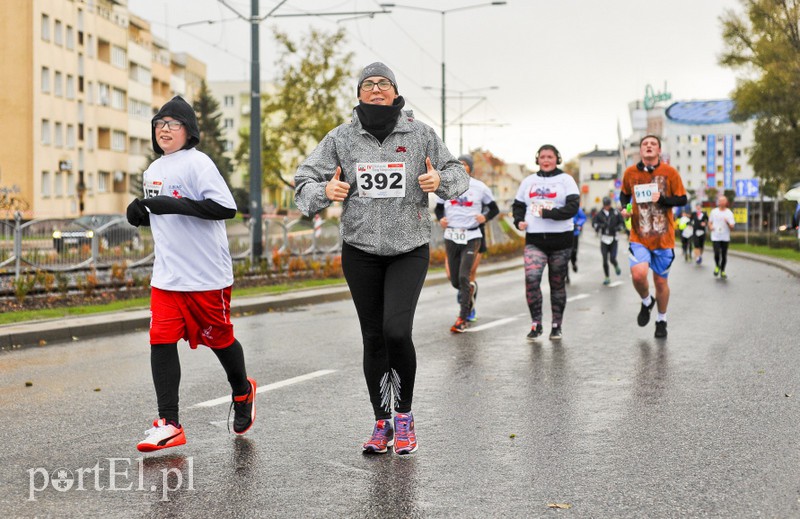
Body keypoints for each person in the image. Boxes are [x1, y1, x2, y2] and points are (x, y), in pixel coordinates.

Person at [294, 62, 469, 455]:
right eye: (368, 84)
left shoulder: (420, 133)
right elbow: (302, 183)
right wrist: (327, 189)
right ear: (358, 94)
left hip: (409, 249)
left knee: (395, 331)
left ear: (394, 91)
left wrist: (440, 181)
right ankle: (381, 422)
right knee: (372, 338)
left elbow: (459, 175)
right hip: (361, 252)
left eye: (383, 83)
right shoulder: (340, 138)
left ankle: (404, 416)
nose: (376, 89)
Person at [126, 96, 256, 452]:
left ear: (188, 131)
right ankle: (169, 423)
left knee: (220, 339)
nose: (164, 129)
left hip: (206, 276)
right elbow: (156, 212)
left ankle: (242, 391)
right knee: (160, 340)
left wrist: (167, 204)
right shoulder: (152, 172)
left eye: (173, 123)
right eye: (159, 123)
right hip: (167, 277)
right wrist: (138, 212)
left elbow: (225, 208)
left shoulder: (199, 163)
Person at [620, 135, 687, 339]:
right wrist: (626, 209)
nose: (649, 146)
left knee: (660, 282)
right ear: (641, 150)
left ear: (658, 150)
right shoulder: (630, 172)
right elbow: (624, 195)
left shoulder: (670, 172)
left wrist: (664, 200)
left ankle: (661, 319)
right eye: (645, 144)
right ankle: (647, 300)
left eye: (653, 144)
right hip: (639, 235)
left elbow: (682, 198)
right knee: (638, 274)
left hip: (663, 238)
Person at [512, 144, 579, 342]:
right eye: (542, 157)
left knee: (557, 284)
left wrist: (548, 214)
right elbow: (518, 205)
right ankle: (536, 323)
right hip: (535, 240)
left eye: (550, 156)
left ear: (557, 158)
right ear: (537, 159)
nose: (546, 160)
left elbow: (573, 207)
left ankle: (556, 325)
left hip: (561, 240)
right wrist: (518, 221)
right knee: (532, 279)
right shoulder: (528, 181)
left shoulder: (566, 180)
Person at [435, 154, 499, 332]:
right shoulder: (446, 185)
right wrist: (442, 219)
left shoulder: (480, 187)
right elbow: (439, 207)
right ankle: (468, 292)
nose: (462, 167)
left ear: (471, 168)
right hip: (452, 235)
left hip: (472, 236)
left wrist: (484, 217)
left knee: (465, 276)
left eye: (465, 165)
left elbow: (494, 208)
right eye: (459, 164)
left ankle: (462, 317)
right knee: (455, 280)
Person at [592, 196, 625, 285]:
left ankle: (616, 265)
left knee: (612, 258)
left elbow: (622, 223)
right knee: (604, 259)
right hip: (604, 239)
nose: (607, 207)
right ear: (603, 205)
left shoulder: (615, 213)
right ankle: (607, 277)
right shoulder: (599, 214)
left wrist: (618, 228)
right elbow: (594, 224)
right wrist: (600, 226)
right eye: (606, 205)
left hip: (614, 239)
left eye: (608, 205)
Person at [709, 195, 736, 279]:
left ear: (726, 202)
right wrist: (710, 227)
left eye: (723, 201)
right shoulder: (714, 212)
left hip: (725, 237)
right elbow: (710, 222)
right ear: (718, 202)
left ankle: (723, 270)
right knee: (717, 253)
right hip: (715, 236)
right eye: (720, 201)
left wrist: (727, 222)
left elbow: (732, 227)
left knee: (724, 255)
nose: (721, 202)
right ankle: (717, 266)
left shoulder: (729, 213)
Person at [566, 205, 587, 284]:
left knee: (573, 251)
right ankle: (566, 276)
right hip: (565, 233)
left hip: (574, 233)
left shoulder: (577, 208)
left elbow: (583, 218)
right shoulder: (562, 206)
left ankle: (574, 262)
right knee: (565, 255)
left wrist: (578, 224)